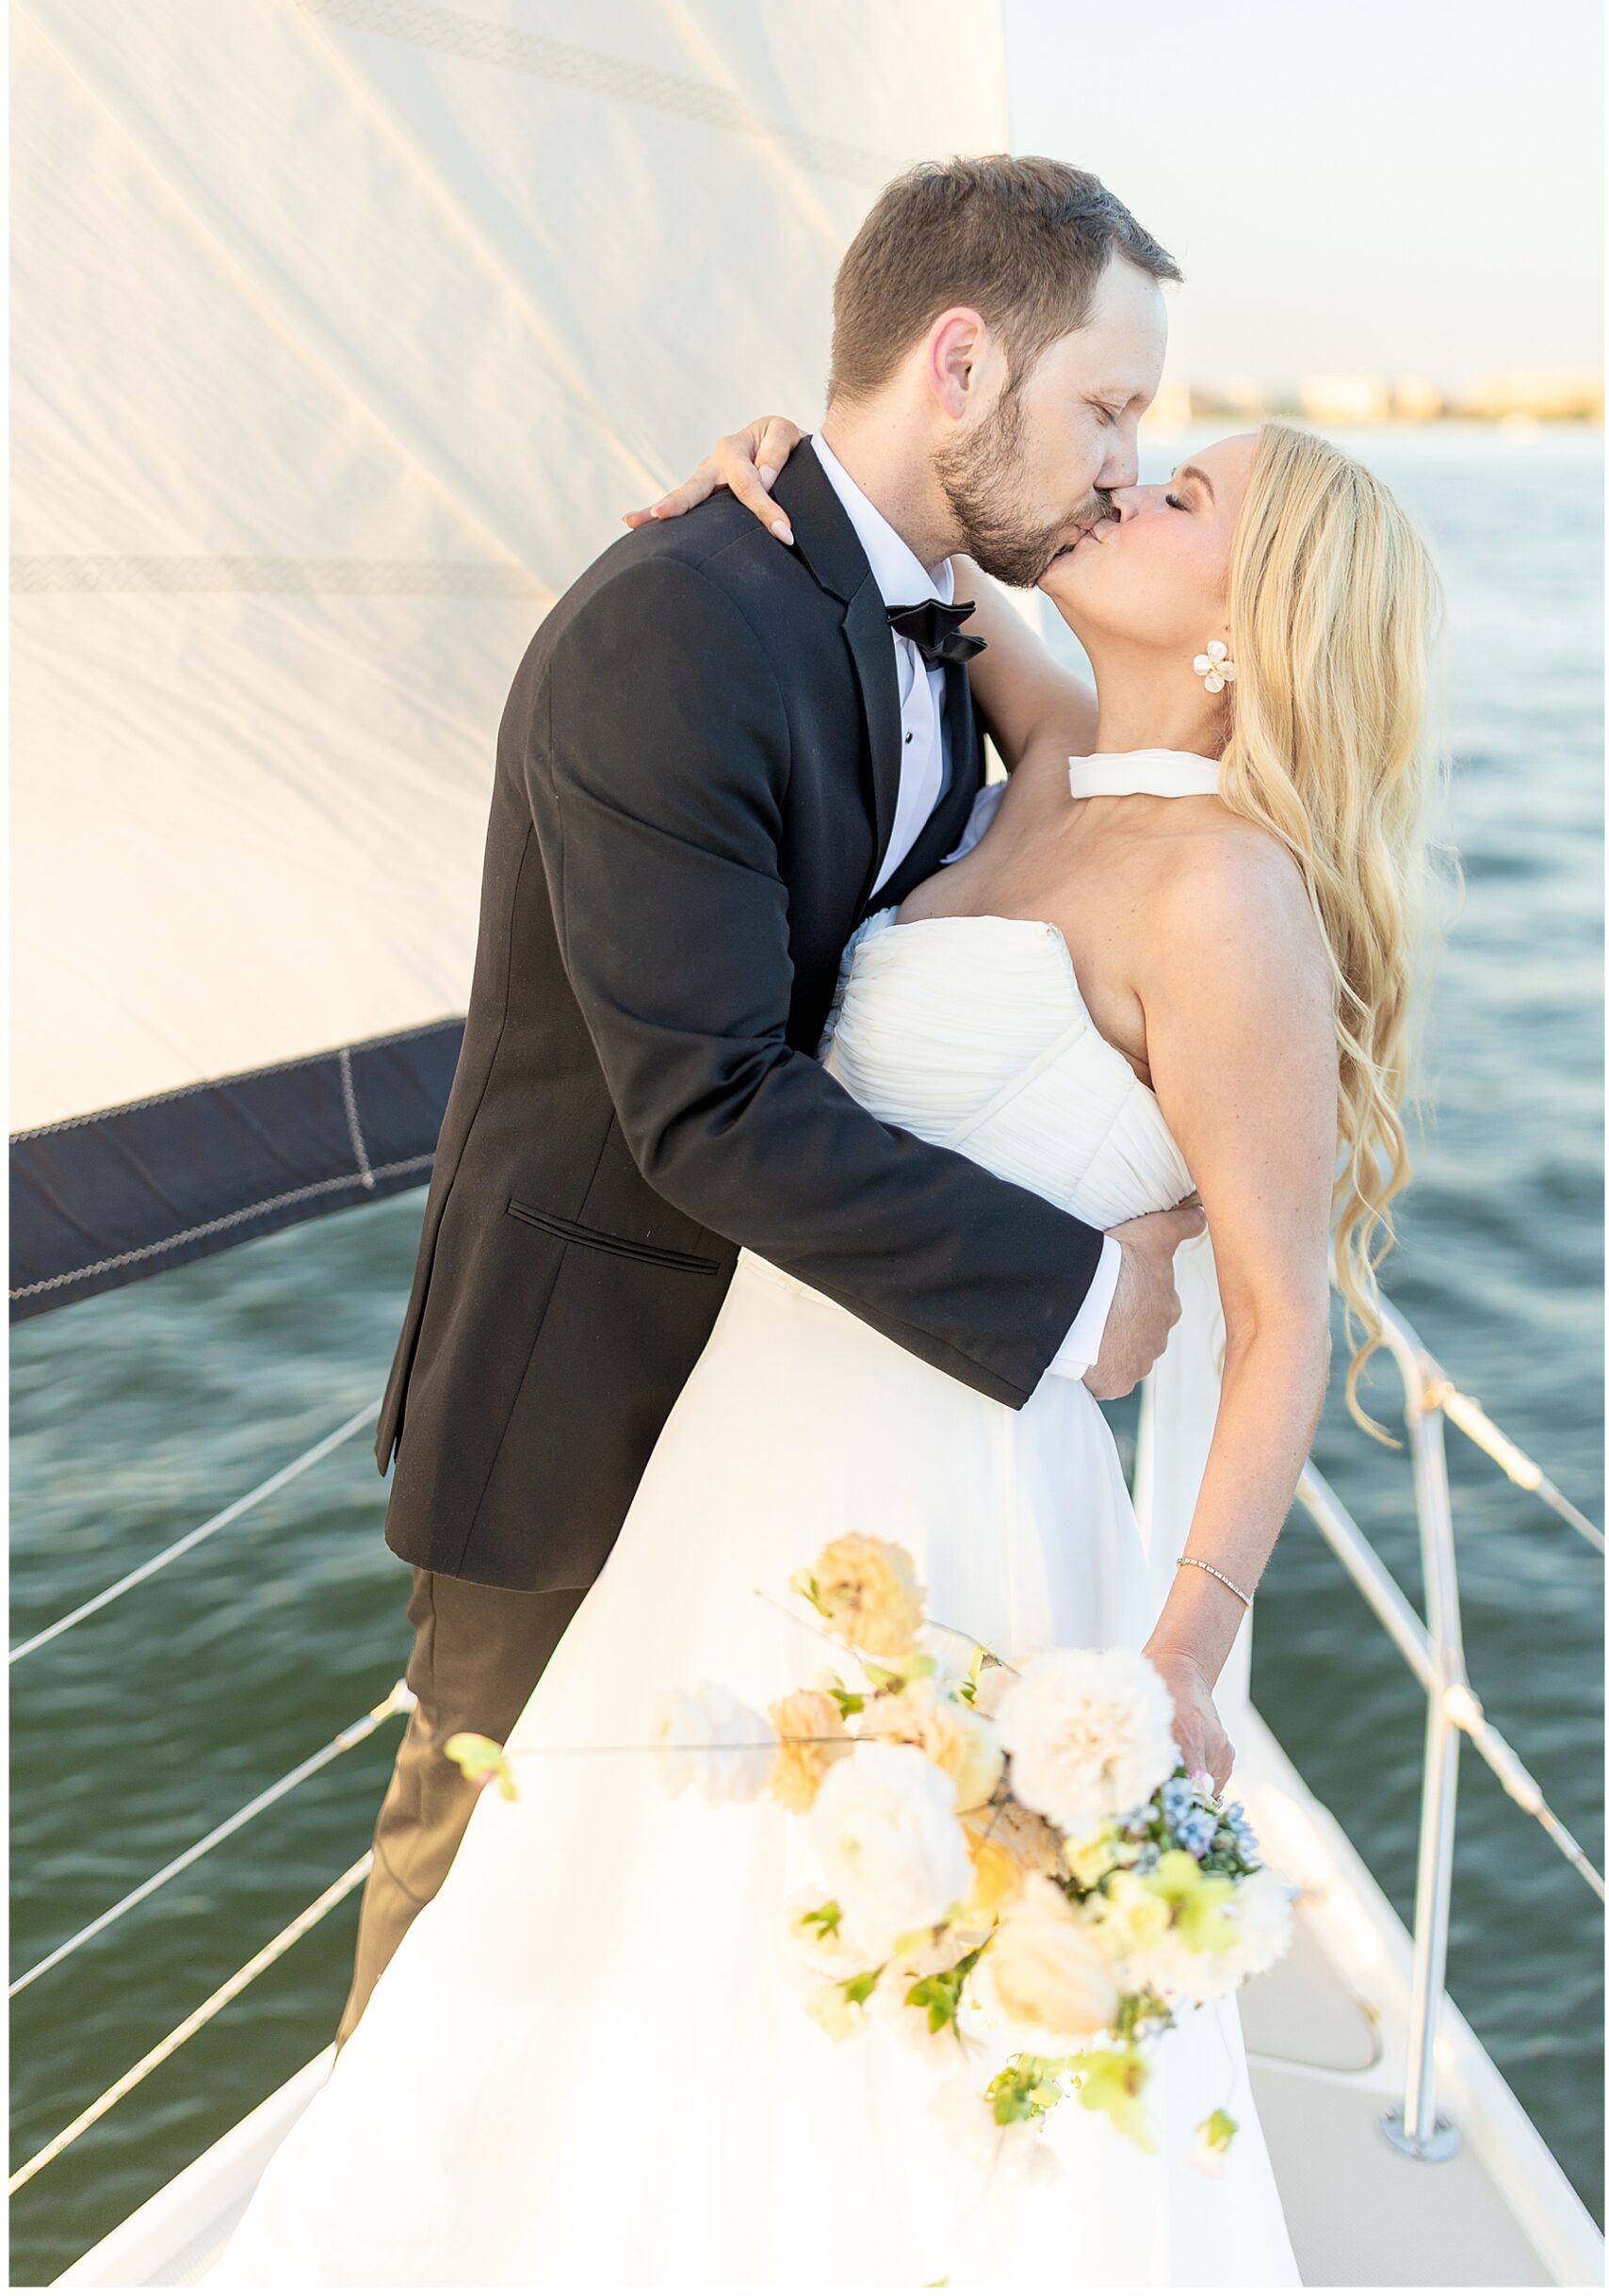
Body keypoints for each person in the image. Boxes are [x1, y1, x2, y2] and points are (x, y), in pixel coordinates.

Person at [210, 389, 1440, 2281]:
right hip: (748, 1457)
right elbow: (903, 553)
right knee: (651, 1943)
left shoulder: (1224, 892)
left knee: (879, 2005)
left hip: (959, 1496)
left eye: (1174, 485)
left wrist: (1180, 1645)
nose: (1125, 475)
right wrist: (766, 475)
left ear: (1244, 618)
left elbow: (1276, 1315)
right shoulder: (1048, 757)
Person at [336, 155, 1197, 2045]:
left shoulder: (929, 610)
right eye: (1106, 408)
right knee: (476, 1870)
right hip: (588, 1389)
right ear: (958, 362)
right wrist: (1072, 1291)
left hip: (804, 1394)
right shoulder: (675, 622)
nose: (1127, 464)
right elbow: (707, 1103)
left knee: (696, 1894)